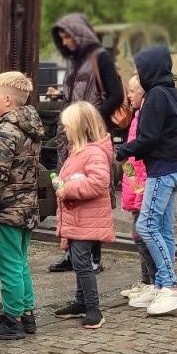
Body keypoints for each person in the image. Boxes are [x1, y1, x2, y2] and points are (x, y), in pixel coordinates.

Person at [116, 45, 177, 317]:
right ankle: (161, 284)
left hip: (161, 169)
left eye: (139, 68)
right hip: (172, 166)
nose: (137, 73)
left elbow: (148, 139)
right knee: (164, 229)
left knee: (146, 226)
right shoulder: (168, 91)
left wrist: (122, 151)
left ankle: (170, 285)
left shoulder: (157, 96)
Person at [47, 14, 122, 273]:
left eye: (69, 36)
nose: (66, 42)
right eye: (62, 37)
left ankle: (93, 257)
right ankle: (71, 252)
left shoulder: (100, 58)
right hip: (70, 135)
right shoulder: (74, 62)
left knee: (90, 192)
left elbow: (116, 94)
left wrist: (91, 119)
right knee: (67, 187)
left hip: (88, 135)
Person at [0, 70, 45, 340]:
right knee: (21, 262)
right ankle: (26, 313)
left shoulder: (4, 132)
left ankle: (12, 318)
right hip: (27, 207)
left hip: (6, 209)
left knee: (8, 266)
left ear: (6, 99)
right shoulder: (32, 128)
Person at [50, 102, 114, 329]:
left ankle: (94, 308)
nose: (64, 130)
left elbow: (99, 182)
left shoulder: (93, 152)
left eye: (67, 126)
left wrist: (66, 189)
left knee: (81, 261)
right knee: (78, 260)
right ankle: (80, 302)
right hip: (78, 217)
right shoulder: (78, 151)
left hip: (87, 218)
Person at [116, 75, 157, 306]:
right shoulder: (137, 117)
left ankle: (152, 281)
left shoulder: (144, 118)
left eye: (132, 91)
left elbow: (140, 160)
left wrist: (139, 187)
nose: (129, 96)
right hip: (135, 185)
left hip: (140, 186)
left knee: (142, 235)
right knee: (137, 235)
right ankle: (145, 280)